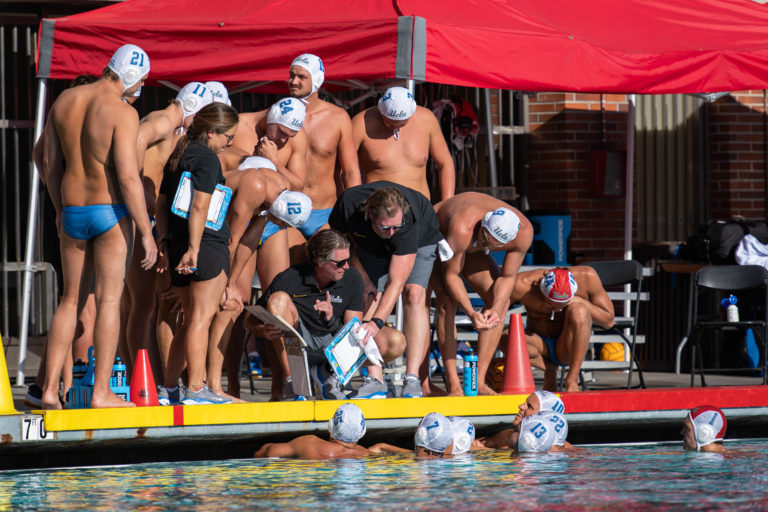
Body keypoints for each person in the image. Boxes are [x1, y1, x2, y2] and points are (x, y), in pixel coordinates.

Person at [37, 44, 157, 409]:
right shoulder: (123, 112)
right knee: (108, 300)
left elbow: (46, 161)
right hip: (110, 213)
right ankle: (101, 393)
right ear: (134, 78)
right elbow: (128, 178)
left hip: (73, 210)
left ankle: (48, 391)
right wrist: (147, 233)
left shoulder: (65, 100)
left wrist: (59, 209)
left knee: (70, 300)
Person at [121, 81, 214, 381]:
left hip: (149, 220)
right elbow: (134, 142)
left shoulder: (171, 127)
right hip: (142, 220)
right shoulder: (162, 120)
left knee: (148, 304)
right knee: (143, 304)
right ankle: (145, 381)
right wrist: (137, 186)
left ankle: (155, 380)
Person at [156, 102, 238, 405]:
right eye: (228, 138)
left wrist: (167, 243)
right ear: (212, 132)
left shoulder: (179, 155)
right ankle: (195, 388)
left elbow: (161, 205)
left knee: (190, 320)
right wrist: (193, 249)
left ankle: (171, 388)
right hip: (204, 246)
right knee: (201, 319)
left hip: (178, 244)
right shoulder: (206, 158)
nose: (229, 144)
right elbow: (200, 206)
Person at [259, 229, 405, 400]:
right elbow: (251, 319)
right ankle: (293, 382)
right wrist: (262, 330)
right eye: (341, 262)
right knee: (278, 301)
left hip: (334, 343)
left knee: (395, 341)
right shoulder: (290, 278)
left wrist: (330, 319)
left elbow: (352, 331)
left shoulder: (351, 278)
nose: (347, 266)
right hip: (300, 346)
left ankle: (327, 373)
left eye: (348, 260)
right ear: (320, 261)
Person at [329, 182, 443, 398]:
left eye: (394, 227)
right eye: (386, 227)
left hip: (421, 236)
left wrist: (377, 322)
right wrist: (361, 274)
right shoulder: (349, 203)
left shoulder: (406, 225)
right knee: (367, 292)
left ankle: (412, 379)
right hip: (367, 242)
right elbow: (342, 242)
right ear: (370, 215)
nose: (391, 233)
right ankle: (375, 380)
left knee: (414, 293)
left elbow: (396, 282)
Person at [431, 193, 533, 395]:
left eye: (494, 246)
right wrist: (470, 312)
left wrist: (494, 308)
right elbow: (452, 275)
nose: (486, 247)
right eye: (486, 239)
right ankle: (453, 384)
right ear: (484, 224)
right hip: (440, 233)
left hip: (470, 242)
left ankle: (477, 382)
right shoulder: (463, 229)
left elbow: (508, 277)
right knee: (447, 302)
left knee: (500, 304)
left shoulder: (524, 234)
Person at [287, 54, 361, 244]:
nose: (294, 81)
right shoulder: (279, 115)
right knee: (290, 271)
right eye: (291, 75)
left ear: (317, 80)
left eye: (301, 77)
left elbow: (351, 171)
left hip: (326, 213)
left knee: (327, 271)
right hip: (288, 211)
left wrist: (356, 214)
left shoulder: (338, 117)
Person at [510, 267, 615, 392]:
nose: (554, 309)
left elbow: (609, 321)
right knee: (505, 338)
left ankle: (572, 379)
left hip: (566, 346)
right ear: (541, 289)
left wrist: (578, 300)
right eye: (549, 303)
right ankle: (549, 370)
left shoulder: (587, 277)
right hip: (538, 345)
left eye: (560, 305)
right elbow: (495, 312)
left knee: (579, 310)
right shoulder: (522, 284)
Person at [352, 86, 454, 202]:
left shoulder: (427, 120)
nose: (395, 127)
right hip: (378, 209)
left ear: (411, 113)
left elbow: (445, 163)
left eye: (402, 124)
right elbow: (344, 169)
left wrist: (447, 203)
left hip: (420, 208)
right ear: (381, 112)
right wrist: (353, 203)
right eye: (390, 123)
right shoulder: (361, 123)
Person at [253, 403, 370, 459]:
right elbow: (378, 450)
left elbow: (271, 452)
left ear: (331, 425)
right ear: (362, 432)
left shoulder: (310, 443)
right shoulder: (364, 453)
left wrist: (268, 446)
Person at [476, 390, 567, 450]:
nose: (521, 406)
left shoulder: (560, 449)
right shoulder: (508, 436)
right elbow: (476, 445)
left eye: (529, 406)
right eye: (525, 402)